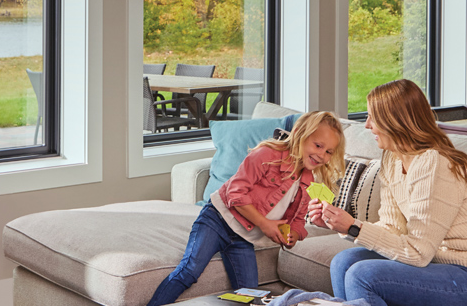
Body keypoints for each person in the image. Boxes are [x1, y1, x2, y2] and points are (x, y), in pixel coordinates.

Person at [308, 79, 467, 306]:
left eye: (372, 118)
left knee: (363, 275)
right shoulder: (392, 158)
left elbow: (418, 252)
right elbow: (393, 228)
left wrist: (354, 228)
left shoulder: (435, 165)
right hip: (437, 259)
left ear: (395, 121)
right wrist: (340, 223)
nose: (367, 125)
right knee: (343, 262)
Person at [147, 112, 349, 306]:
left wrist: (294, 235)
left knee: (249, 293)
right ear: (299, 135)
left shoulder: (307, 181)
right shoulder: (267, 155)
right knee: (189, 271)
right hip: (216, 220)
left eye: (329, 151)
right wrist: (265, 224)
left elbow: (297, 219)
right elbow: (235, 194)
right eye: (318, 145)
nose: (321, 154)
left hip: (243, 237)